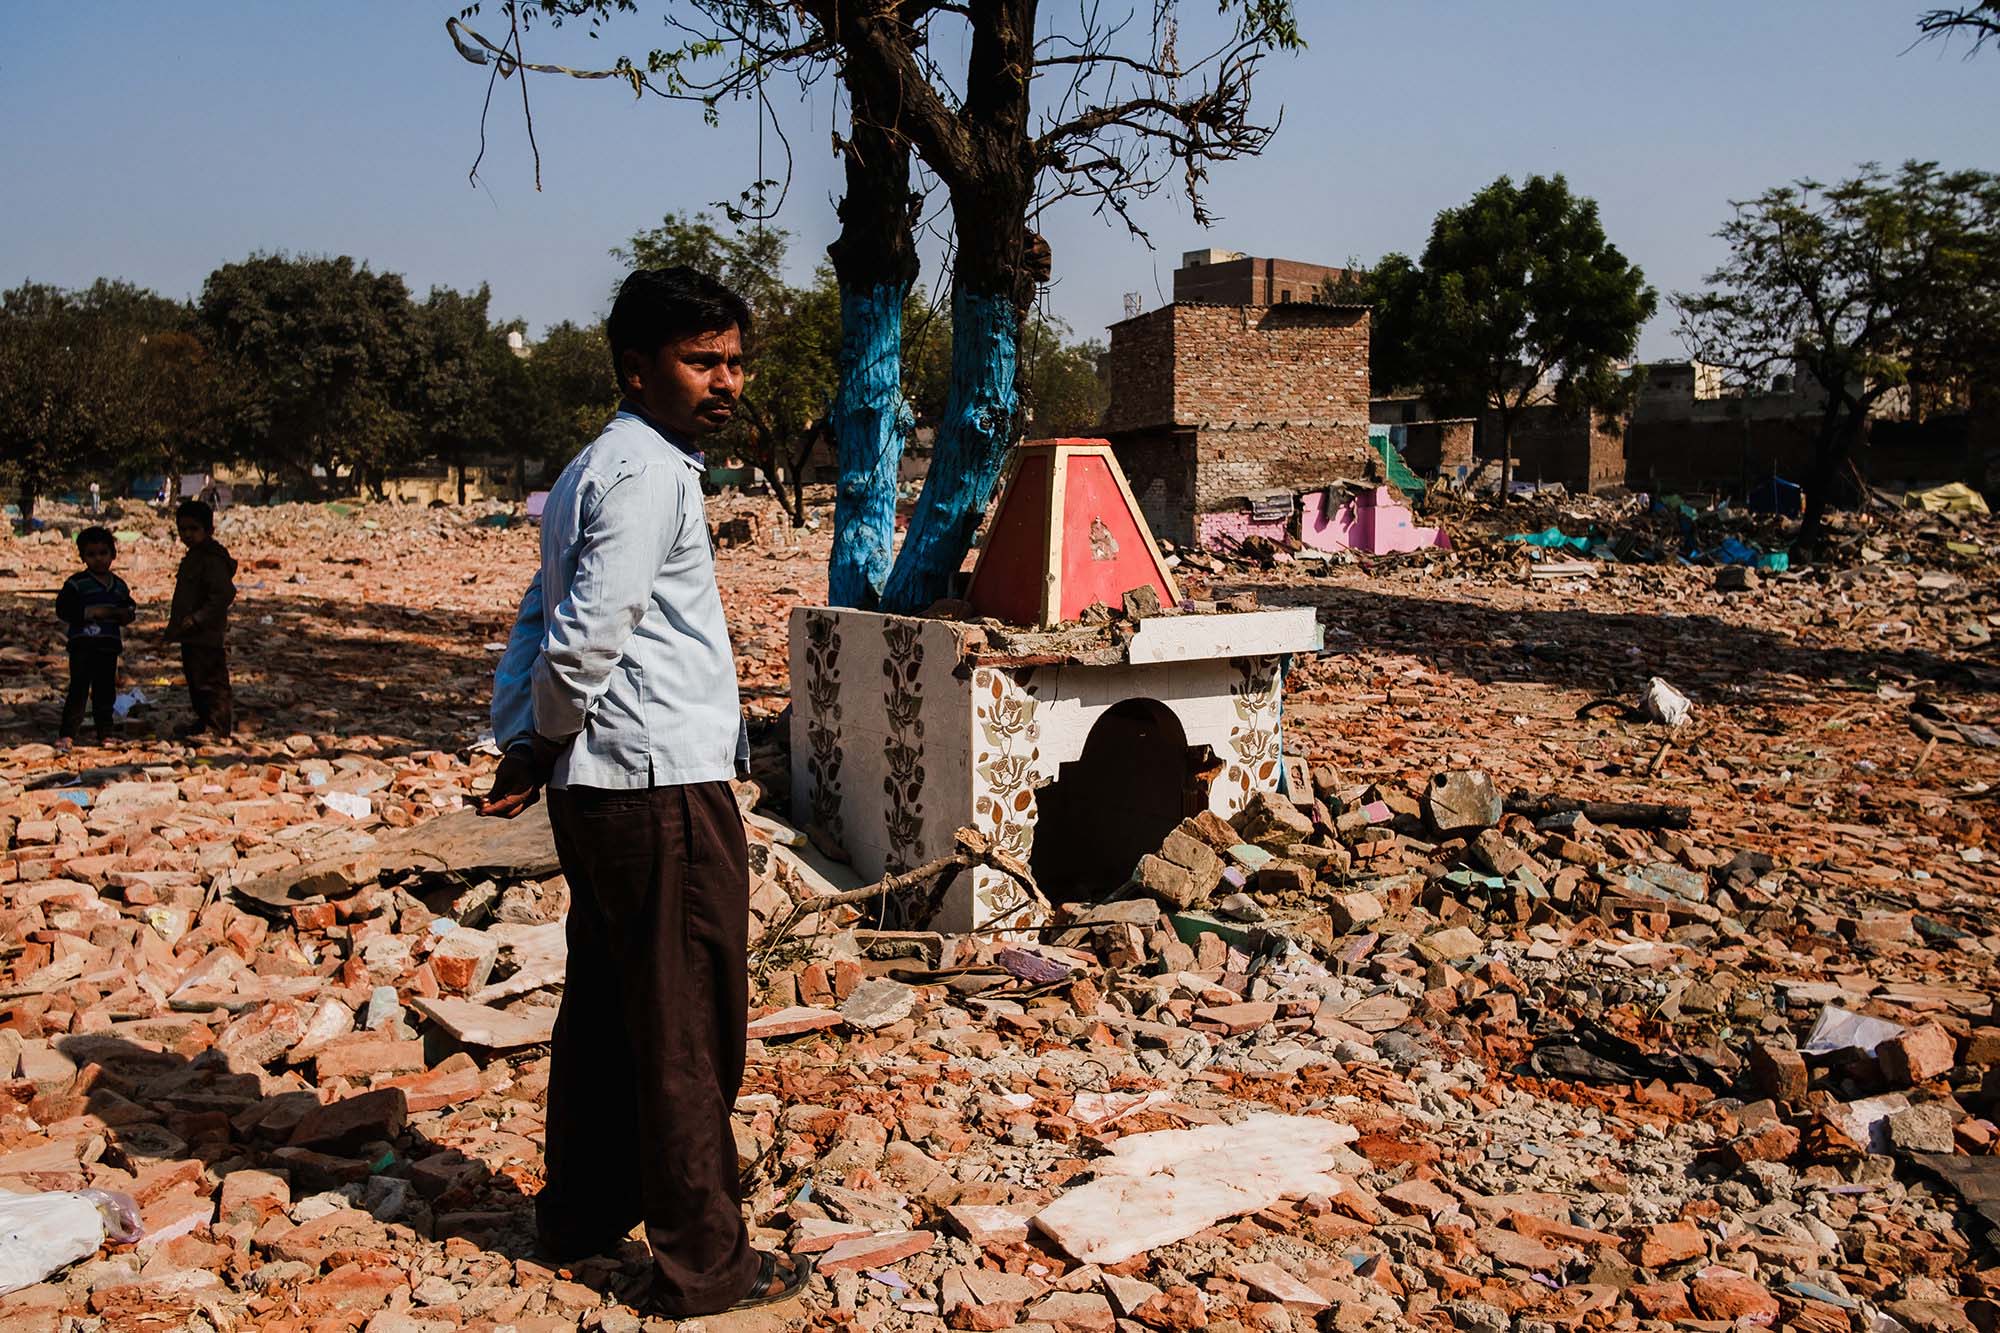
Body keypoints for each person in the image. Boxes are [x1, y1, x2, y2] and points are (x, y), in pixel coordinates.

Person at [480, 267, 804, 1317]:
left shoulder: (595, 469)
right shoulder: (648, 474)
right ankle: (704, 1266)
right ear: (636, 366)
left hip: (605, 784)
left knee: (611, 1008)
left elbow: (539, 613)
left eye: (734, 361)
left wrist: (527, 745)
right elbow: (578, 638)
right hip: (657, 783)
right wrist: (542, 734)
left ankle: (578, 1215)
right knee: (683, 1023)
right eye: (700, 361)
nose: (726, 382)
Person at [54, 526, 136, 750]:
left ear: (113, 554)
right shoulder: (77, 583)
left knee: (105, 690)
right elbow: (63, 608)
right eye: (91, 554)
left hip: (108, 646)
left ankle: (105, 733)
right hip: (82, 645)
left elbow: (129, 608)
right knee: (79, 690)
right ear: (82, 557)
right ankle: (68, 733)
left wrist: (125, 614)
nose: (98, 559)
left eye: (103, 553)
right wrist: (91, 612)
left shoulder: (119, 586)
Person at [163, 499, 237, 738]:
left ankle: (217, 727)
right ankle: (204, 721)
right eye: (182, 529)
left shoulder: (212, 559)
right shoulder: (195, 556)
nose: (187, 534)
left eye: (193, 529)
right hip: (192, 633)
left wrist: (197, 618)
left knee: (211, 681)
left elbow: (224, 594)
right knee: (195, 678)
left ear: (209, 530)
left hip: (206, 632)